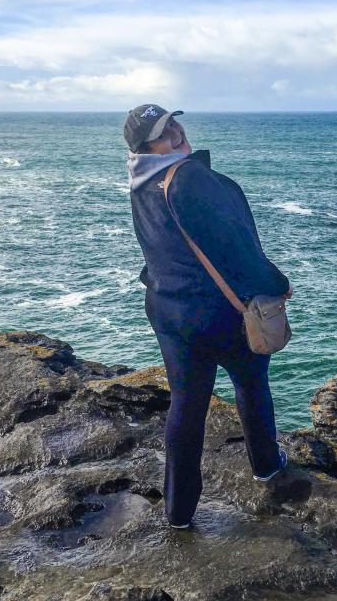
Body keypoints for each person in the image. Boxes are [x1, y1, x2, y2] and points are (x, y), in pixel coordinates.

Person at [124, 104, 293, 529]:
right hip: (218, 313)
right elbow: (237, 246)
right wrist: (277, 284)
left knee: (186, 404)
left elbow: (161, 247)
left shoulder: (142, 181)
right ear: (149, 145)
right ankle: (266, 466)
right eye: (165, 131)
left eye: (173, 123)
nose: (177, 132)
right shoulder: (190, 177)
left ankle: (178, 511)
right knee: (251, 383)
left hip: (169, 311)